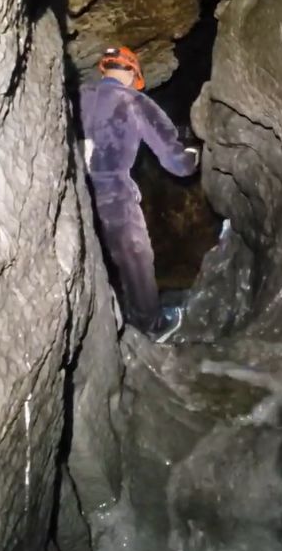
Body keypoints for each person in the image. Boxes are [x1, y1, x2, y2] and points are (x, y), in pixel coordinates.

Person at [78, 45, 200, 342]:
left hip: (79, 198)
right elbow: (175, 162)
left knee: (95, 263)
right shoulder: (134, 102)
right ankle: (150, 324)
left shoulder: (80, 96)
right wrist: (192, 156)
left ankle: (111, 322)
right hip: (114, 194)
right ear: (133, 72)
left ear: (105, 69)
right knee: (135, 257)